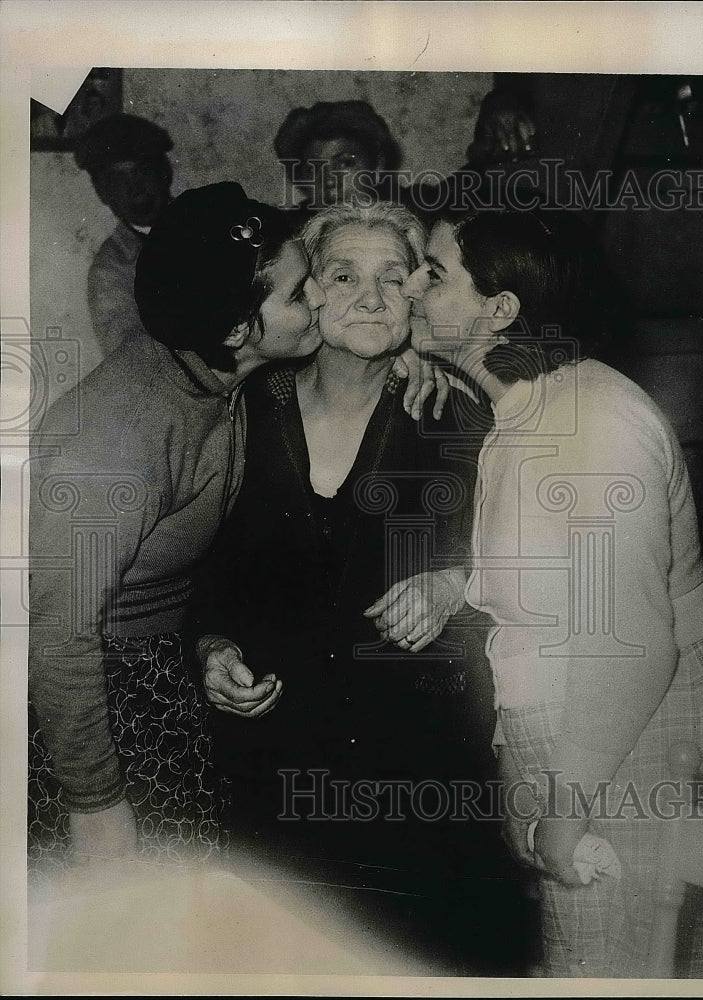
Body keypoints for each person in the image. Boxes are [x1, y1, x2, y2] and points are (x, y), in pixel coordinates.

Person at [191, 202, 534, 973]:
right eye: (343, 276)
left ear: (418, 296)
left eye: (392, 278)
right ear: (308, 292)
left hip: (414, 772)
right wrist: (210, 646)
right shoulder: (252, 404)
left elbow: (533, 569)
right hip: (274, 762)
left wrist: (456, 586)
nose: (371, 299)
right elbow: (208, 567)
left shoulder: (450, 408)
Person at [401, 207, 703, 978]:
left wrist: (563, 806)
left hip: (636, 727)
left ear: (501, 310)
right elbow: (547, 587)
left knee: (609, 973)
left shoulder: (590, 420)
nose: (414, 285)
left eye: (435, 272)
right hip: (590, 731)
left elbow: (633, 645)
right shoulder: (530, 410)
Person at [28, 181, 326, 879]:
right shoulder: (117, 436)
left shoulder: (222, 379)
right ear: (233, 331)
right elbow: (58, 634)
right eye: (299, 293)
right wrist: (95, 803)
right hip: (83, 707)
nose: (320, 301)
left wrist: (206, 644)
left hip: (154, 680)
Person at [74, 113, 174, 358]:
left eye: (142, 172)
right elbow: (131, 359)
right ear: (102, 193)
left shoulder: (216, 223)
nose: (135, 190)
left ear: (164, 173)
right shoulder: (111, 271)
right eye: (117, 179)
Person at [274, 99, 402, 220]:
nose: (329, 181)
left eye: (346, 163)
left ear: (377, 167)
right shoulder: (290, 234)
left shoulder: (411, 217)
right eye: (313, 170)